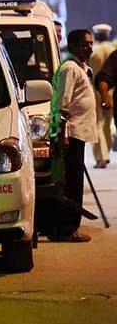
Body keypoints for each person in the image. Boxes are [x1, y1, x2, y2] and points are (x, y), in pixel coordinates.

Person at [48, 28, 98, 242]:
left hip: (80, 133)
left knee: (75, 182)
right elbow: (62, 104)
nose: (90, 48)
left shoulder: (82, 68)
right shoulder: (69, 69)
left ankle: (68, 227)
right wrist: (62, 135)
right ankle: (67, 229)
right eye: (85, 44)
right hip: (71, 134)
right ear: (75, 46)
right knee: (71, 185)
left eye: (91, 43)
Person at [88, 23, 114, 168]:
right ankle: (106, 153)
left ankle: (101, 156)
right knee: (107, 124)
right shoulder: (113, 50)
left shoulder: (92, 51)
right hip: (111, 91)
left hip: (95, 91)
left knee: (97, 123)